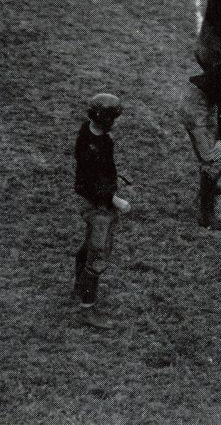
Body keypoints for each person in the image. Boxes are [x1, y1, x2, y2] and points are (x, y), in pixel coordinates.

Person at [73, 93, 130, 330]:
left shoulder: (91, 133)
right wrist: (115, 200)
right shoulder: (94, 146)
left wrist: (115, 177)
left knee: (88, 247)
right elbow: (91, 181)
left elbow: (98, 171)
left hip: (94, 200)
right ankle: (87, 310)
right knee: (97, 256)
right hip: (98, 205)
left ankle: (79, 286)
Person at [178, 67, 221, 232]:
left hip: (205, 101)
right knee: (213, 161)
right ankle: (207, 216)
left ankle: (211, 186)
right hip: (197, 105)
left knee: (212, 157)